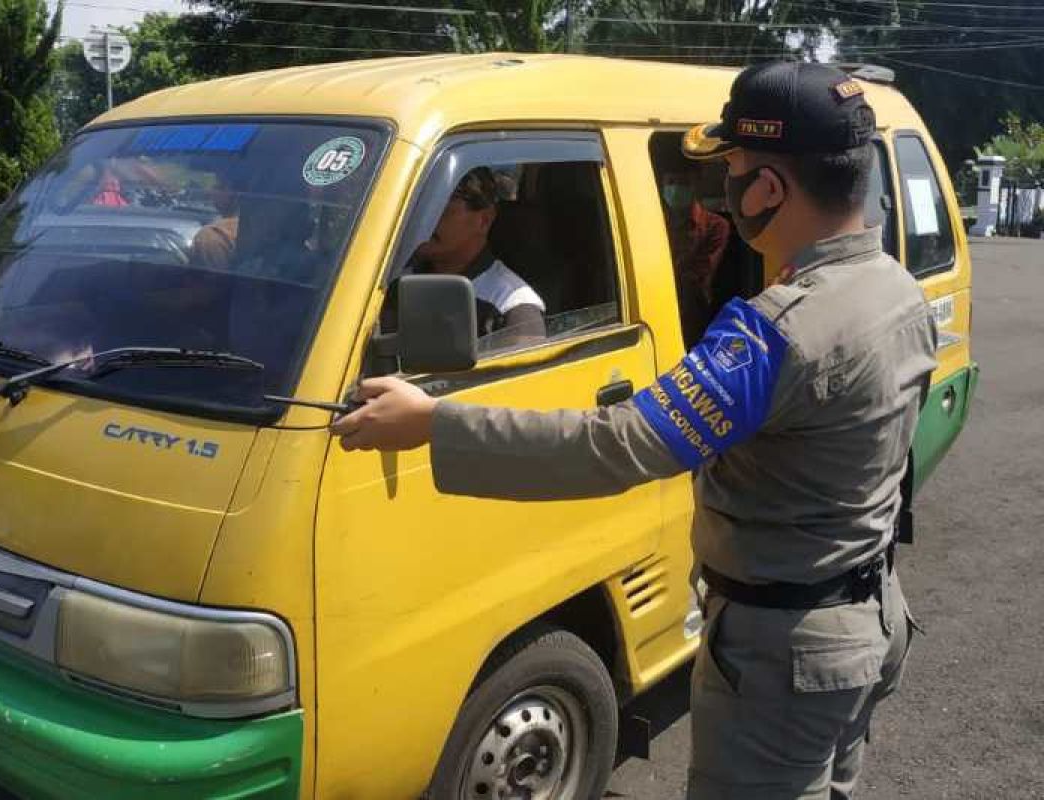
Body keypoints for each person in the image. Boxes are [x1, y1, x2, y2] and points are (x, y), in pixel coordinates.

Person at [330, 61, 937, 800]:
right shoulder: (896, 290)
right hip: (869, 620)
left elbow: (617, 445)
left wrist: (433, 423)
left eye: (733, 172)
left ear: (769, 189)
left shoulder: (778, 330)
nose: (724, 192)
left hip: (785, 655)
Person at [406, 167, 546, 348]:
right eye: (419, 208)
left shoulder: (512, 308)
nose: (424, 220)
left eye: (441, 209)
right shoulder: (389, 281)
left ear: (484, 220)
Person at [659, 159, 731, 344]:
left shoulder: (715, 226)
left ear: (696, 186)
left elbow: (698, 277)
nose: (675, 189)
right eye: (671, 183)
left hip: (691, 314)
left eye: (683, 183)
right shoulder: (654, 221)